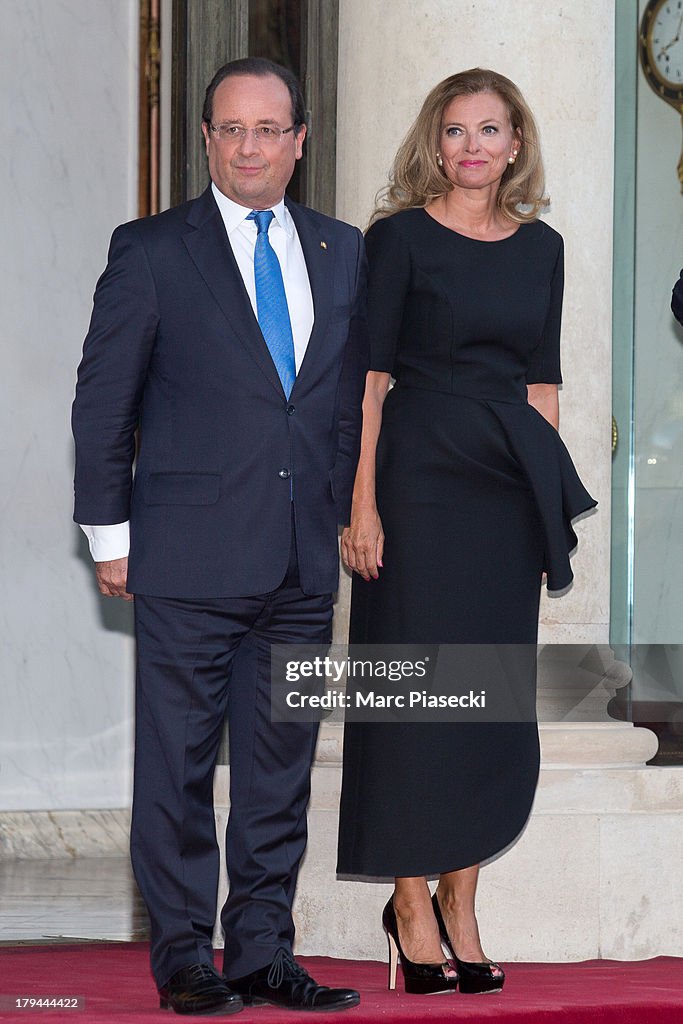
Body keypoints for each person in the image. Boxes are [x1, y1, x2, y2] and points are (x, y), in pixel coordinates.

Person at [72, 57, 367, 1016]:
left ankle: (263, 952)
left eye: (268, 129)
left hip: (296, 560)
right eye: (230, 128)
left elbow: (341, 409)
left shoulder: (341, 250)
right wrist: (108, 534)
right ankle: (184, 958)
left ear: (298, 139)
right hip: (186, 556)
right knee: (179, 765)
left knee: (279, 772)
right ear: (206, 138)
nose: (249, 146)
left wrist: (345, 517)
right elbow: (103, 404)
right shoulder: (152, 249)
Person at [336, 68, 596, 996]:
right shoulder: (396, 239)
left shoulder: (542, 248)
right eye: (456, 131)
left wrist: (541, 504)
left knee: (482, 696)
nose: (472, 146)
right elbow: (367, 381)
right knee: (411, 693)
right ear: (433, 144)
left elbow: (541, 383)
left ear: (515, 144)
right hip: (413, 481)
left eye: (490, 130)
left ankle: (461, 899)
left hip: (498, 492)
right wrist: (359, 503)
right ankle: (409, 906)